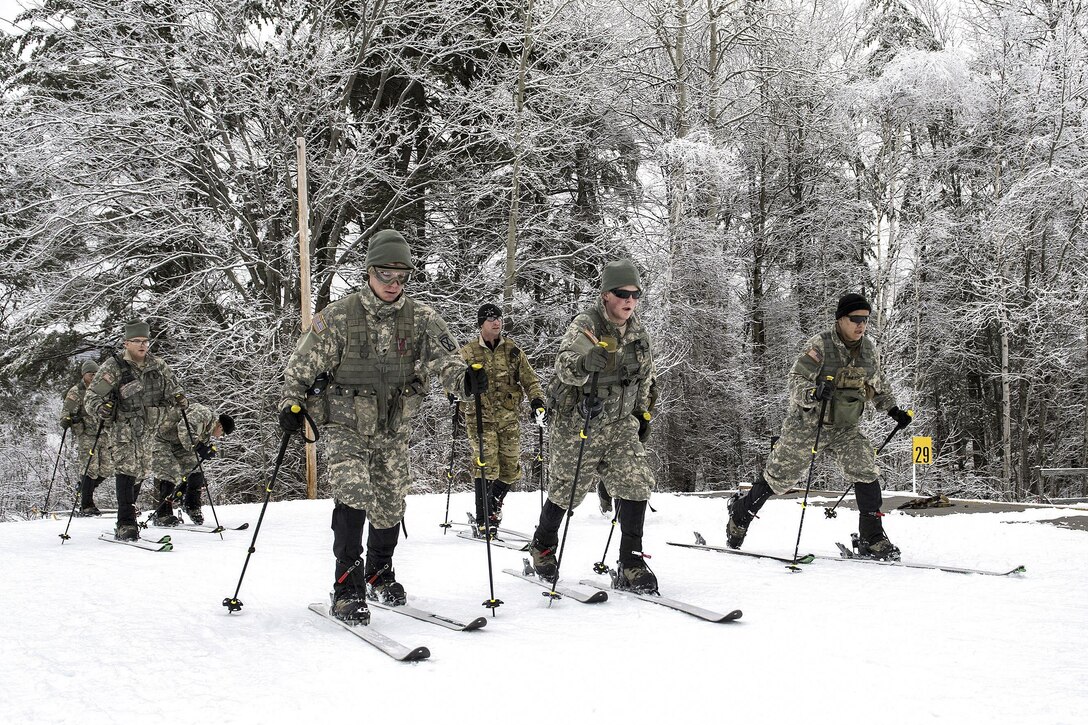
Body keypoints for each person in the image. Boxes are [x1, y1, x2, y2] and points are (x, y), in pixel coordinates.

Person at [279, 229, 477, 624]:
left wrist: (465, 380)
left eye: (402, 277)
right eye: (386, 275)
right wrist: (291, 404)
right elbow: (299, 369)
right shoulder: (337, 317)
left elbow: (447, 362)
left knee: (390, 505)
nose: (393, 284)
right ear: (369, 272)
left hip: (392, 429)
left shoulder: (422, 320)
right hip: (345, 425)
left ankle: (378, 571)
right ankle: (347, 587)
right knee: (354, 493)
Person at [725, 293, 913, 560]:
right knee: (779, 478)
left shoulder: (868, 349)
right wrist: (813, 392)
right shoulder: (821, 345)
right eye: (855, 319)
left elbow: (878, 384)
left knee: (866, 469)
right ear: (840, 319)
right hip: (808, 425)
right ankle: (740, 513)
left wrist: (894, 410)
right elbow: (795, 379)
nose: (861, 325)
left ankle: (872, 537)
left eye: (865, 320)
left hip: (844, 428)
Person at [528, 259, 659, 593]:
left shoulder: (638, 333)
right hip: (580, 423)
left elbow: (645, 378)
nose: (629, 300)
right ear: (605, 296)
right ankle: (543, 546)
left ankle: (631, 562)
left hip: (619, 424)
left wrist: (643, 413)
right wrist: (586, 363)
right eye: (621, 294)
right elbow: (564, 368)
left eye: (635, 294)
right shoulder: (586, 326)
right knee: (566, 491)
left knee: (636, 482)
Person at [84, 320, 186, 541]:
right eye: (137, 341)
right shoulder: (114, 366)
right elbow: (91, 397)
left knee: (141, 471)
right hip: (123, 428)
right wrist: (101, 408)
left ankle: (130, 514)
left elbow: (174, 389)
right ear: (126, 343)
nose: (142, 345)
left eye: (145, 341)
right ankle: (125, 522)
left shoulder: (158, 366)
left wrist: (179, 398)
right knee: (127, 470)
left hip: (150, 429)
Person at [458, 302, 545, 537]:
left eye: (498, 317)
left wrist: (537, 400)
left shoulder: (513, 350)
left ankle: (493, 502)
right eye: (490, 319)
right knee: (487, 465)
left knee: (510, 469)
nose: (496, 322)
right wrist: (463, 387)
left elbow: (530, 379)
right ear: (481, 324)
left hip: (508, 418)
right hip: (480, 418)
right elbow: (453, 383)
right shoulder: (467, 352)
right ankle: (484, 518)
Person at [150, 402, 234, 526]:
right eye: (222, 434)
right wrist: (200, 447)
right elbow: (184, 428)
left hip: (178, 443)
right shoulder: (203, 414)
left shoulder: (208, 430)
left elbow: (193, 444)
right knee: (170, 471)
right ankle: (163, 513)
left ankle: (191, 505)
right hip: (161, 439)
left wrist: (205, 450)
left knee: (196, 469)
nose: (220, 437)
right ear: (220, 426)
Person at [59, 359, 113, 516]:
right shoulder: (76, 391)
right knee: (91, 468)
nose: (94, 377)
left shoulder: (103, 389)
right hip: (86, 434)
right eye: (91, 374)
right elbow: (65, 412)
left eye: (97, 374)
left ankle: (83, 488)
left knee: (107, 469)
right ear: (84, 375)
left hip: (104, 433)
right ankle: (87, 505)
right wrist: (69, 420)